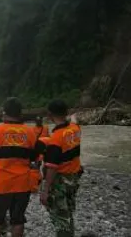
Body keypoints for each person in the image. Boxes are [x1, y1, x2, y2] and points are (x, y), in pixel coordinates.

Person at [0, 97, 40, 237]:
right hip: (22, 184)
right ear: (21, 114)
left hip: (1, 184)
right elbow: (34, 156)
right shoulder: (30, 133)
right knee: (18, 219)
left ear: (4, 113)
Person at [41, 99, 83, 237]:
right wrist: (72, 116)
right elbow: (74, 120)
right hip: (74, 178)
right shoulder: (75, 129)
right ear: (66, 113)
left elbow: (52, 168)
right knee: (69, 212)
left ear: (49, 115)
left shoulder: (56, 139)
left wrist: (45, 190)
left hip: (60, 181)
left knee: (60, 217)